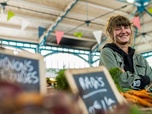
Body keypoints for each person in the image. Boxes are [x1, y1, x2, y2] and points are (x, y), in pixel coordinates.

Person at [99, 15, 152, 90]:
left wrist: (130, 79)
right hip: (119, 100)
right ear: (111, 33)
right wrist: (145, 80)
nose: (123, 31)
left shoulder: (139, 57)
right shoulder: (107, 53)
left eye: (126, 27)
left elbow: (151, 79)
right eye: (118, 29)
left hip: (143, 99)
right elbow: (118, 79)